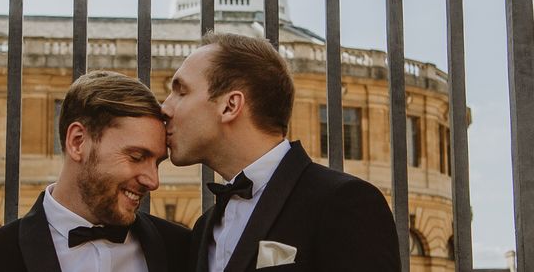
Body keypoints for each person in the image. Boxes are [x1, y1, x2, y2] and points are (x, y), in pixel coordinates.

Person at [162, 33, 401, 272]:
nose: (164, 108)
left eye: (181, 92)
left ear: (230, 105)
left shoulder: (344, 202)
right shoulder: (206, 226)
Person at [0, 70, 190, 272]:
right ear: (77, 142)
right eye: (136, 156)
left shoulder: (181, 250)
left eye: (157, 162)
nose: (153, 181)